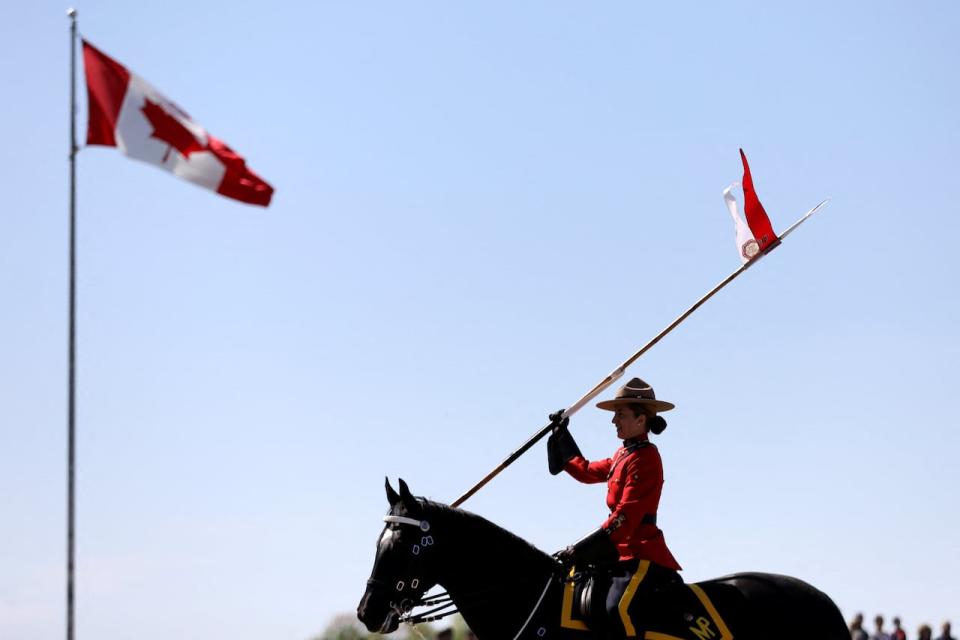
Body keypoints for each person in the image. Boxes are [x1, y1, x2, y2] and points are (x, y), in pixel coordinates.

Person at [547, 377, 682, 633]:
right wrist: (562, 434)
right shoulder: (623, 454)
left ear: (641, 419)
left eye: (620, 414)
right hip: (615, 552)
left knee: (615, 610)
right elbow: (586, 471)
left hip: (640, 553)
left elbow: (625, 518)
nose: (613, 420)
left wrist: (580, 547)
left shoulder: (646, 458)